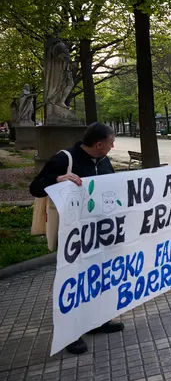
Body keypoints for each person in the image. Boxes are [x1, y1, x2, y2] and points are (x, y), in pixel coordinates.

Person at [29, 122, 124, 356]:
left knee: (99, 278)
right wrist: (58, 179)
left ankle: (97, 321)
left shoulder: (104, 161)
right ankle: (70, 333)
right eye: (111, 142)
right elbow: (36, 188)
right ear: (99, 144)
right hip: (72, 235)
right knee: (73, 281)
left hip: (98, 234)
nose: (114, 146)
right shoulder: (65, 158)